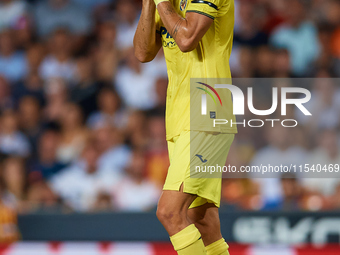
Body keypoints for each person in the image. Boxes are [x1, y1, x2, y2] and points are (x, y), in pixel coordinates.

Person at [134, 0, 237, 254]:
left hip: (207, 112)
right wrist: (149, 4)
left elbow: (187, 38)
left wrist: (160, 3)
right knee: (202, 218)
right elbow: (143, 53)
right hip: (180, 118)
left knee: (170, 211)